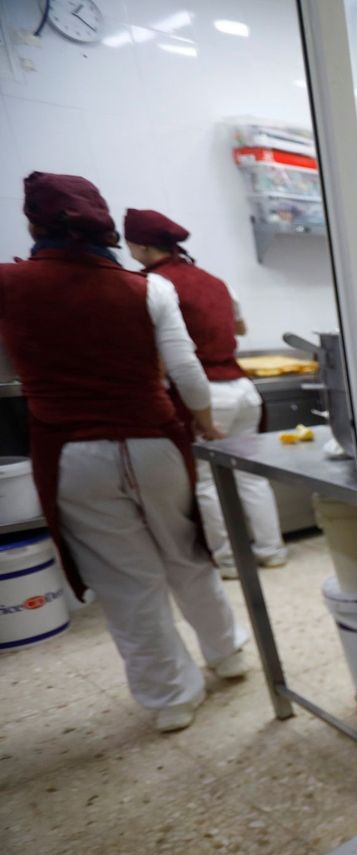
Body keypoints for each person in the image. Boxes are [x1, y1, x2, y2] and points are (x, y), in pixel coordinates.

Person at [0, 173, 251, 733]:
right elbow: (185, 371)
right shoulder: (147, 288)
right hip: (154, 441)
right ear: (105, 226)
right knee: (188, 554)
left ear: (34, 223)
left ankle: (171, 699)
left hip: (70, 451)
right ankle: (228, 654)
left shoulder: (8, 284)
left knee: (126, 581)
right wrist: (204, 420)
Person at [124, 208, 287, 578]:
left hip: (206, 393)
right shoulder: (215, 281)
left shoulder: (151, 286)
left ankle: (229, 561)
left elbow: (162, 353)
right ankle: (272, 551)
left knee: (208, 481)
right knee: (252, 476)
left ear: (141, 246)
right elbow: (240, 327)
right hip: (244, 390)